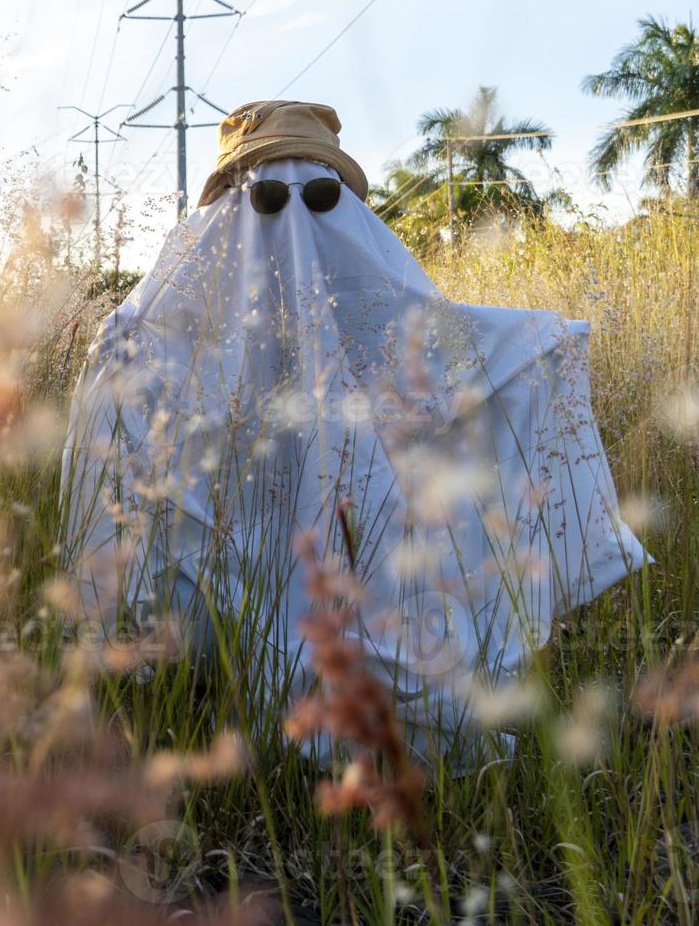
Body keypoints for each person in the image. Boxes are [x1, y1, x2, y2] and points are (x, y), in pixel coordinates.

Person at [60, 100, 648, 770]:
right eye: (269, 198)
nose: (296, 225)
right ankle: (212, 685)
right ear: (227, 213)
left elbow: (463, 367)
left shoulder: (378, 321)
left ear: (344, 209)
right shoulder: (176, 338)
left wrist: (541, 351)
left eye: (318, 197)